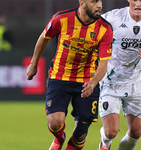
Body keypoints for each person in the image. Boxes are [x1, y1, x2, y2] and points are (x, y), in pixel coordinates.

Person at [26, 0, 113, 149]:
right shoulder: (62, 18)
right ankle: (59, 138)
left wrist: (93, 83)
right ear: (82, 2)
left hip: (86, 81)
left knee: (81, 132)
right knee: (55, 123)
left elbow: (103, 65)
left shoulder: (105, 29)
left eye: (100, 1)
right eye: (94, 1)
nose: (99, 5)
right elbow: (44, 37)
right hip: (59, 77)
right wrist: (34, 64)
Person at [97, 0, 141, 150]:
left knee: (136, 132)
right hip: (110, 81)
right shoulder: (112, 17)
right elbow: (92, 34)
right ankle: (105, 143)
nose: (138, 4)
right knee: (111, 132)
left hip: (136, 83)